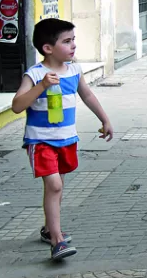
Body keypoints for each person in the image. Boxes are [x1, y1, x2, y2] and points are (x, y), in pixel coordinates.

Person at [10, 18, 114, 261]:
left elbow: (87, 95)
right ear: (48, 48)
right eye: (67, 41)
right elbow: (17, 106)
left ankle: (49, 229)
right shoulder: (35, 74)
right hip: (41, 141)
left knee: (57, 187)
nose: (73, 46)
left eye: (73, 40)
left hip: (66, 139)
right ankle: (57, 242)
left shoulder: (74, 70)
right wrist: (41, 86)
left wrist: (105, 119)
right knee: (54, 186)